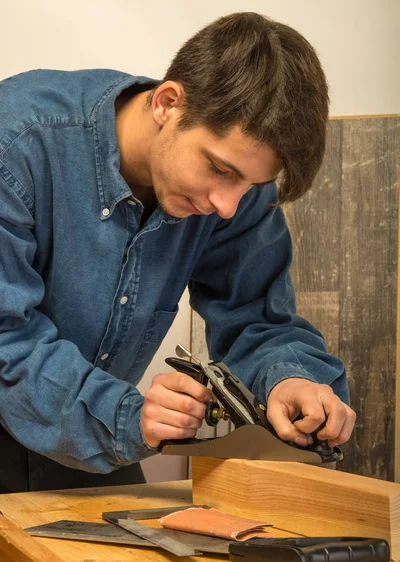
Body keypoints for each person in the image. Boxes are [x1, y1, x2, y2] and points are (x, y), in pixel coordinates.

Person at [0, 12, 356, 493]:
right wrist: (125, 415)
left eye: (252, 185)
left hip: (84, 442)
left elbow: (256, 317)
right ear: (168, 104)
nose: (227, 206)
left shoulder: (234, 196)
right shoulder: (15, 143)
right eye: (219, 169)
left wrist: (288, 379)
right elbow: (7, 342)